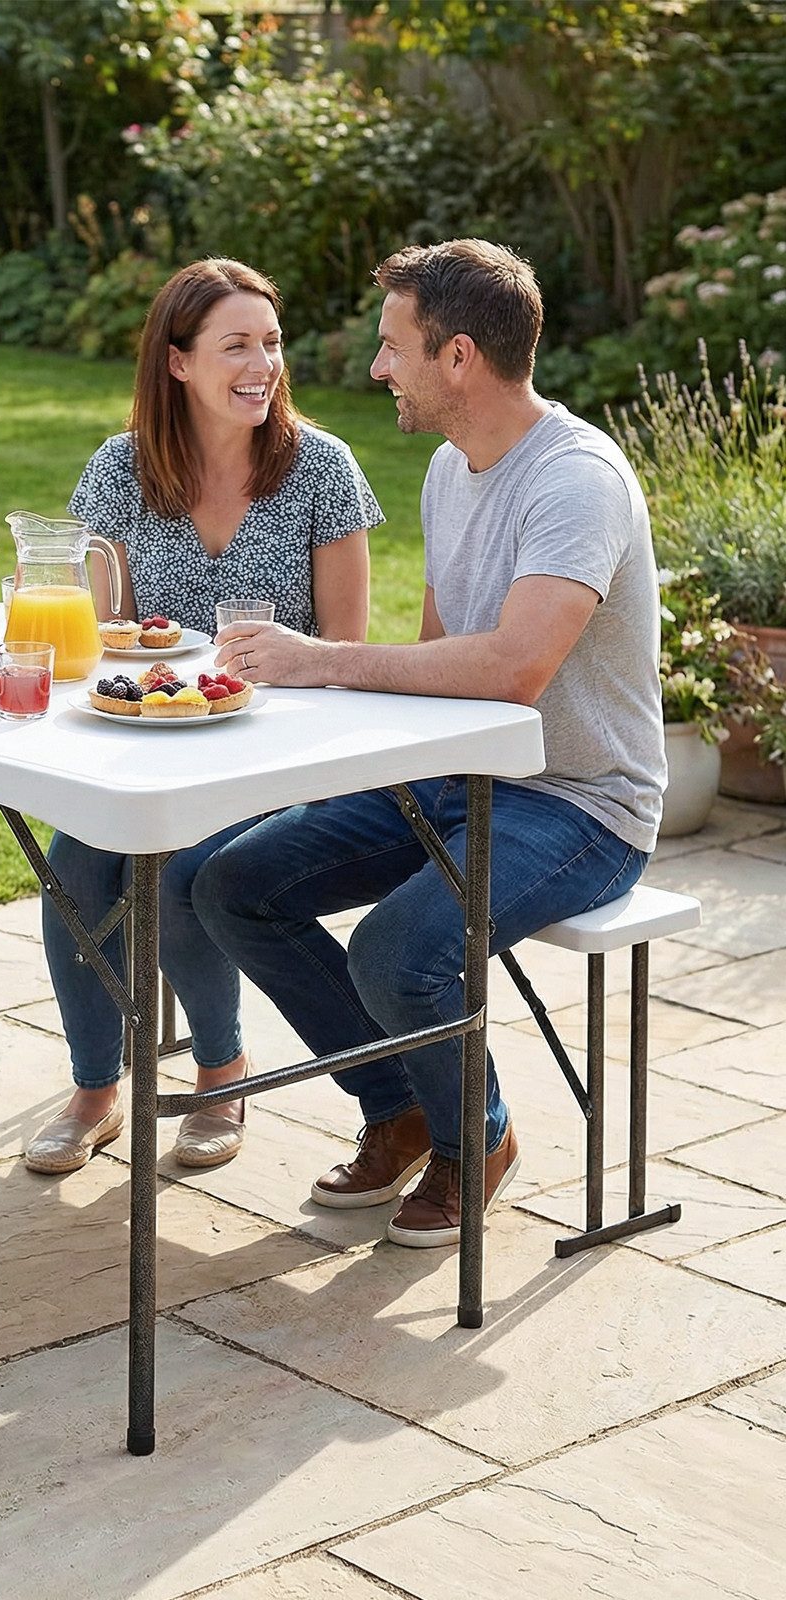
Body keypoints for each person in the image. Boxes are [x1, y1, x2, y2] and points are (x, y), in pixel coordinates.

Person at [194, 238, 665, 1247]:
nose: (377, 369)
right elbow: (441, 659)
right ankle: (401, 1105)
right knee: (235, 884)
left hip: (580, 799)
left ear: (457, 358)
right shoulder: (453, 469)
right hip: (461, 775)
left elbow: (511, 669)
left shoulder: (574, 479)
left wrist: (322, 659)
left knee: (401, 950)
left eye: (391, 347)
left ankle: (474, 1139)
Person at [25, 257, 379, 1176]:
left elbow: (348, 648)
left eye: (270, 342)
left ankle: (220, 1074)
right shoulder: (121, 469)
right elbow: (103, 636)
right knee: (74, 872)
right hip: (151, 743)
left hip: (280, 751)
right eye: (236, 345)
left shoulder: (320, 468)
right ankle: (97, 1089)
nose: (262, 363)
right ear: (178, 362)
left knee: (188, 867)